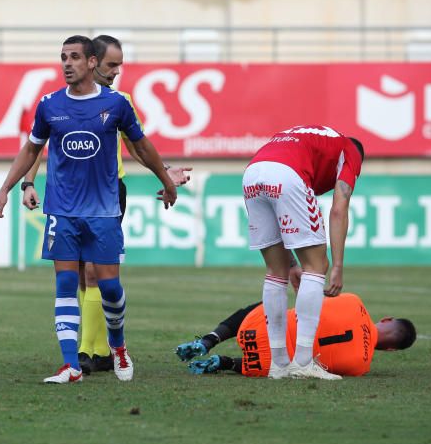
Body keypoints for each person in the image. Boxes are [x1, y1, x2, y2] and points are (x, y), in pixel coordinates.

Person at [0, 34, 178, 384]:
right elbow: (32, 149)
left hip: (103, 210)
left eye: (75, 57)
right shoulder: (49, 105)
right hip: (62, 210)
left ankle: (117, 347)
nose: (67, 63)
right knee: (65, 282)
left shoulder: (117, 104)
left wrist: (166, 179)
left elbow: (141, 146)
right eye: (63, 57)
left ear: (91, 62)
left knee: (108, 288)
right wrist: (7, 188)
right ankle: (70, 364)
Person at [243, 126, 364, 380]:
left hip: (253, 172)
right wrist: (338, 266)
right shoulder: (350, 149)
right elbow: (339, 208)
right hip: (287, 174)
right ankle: (303, 362)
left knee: (277, 271)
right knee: (317, 266)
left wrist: (292, 263)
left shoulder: (311, 138)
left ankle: (279, 365)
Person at [174, 293, 415, 378]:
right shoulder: (361, 367)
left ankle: (209, 340)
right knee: (293, 361)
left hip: (255, 327)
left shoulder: (353, 301)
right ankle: (225, 363)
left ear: (387, 320)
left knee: (272, 303)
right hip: (263, 364)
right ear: (391, 350)